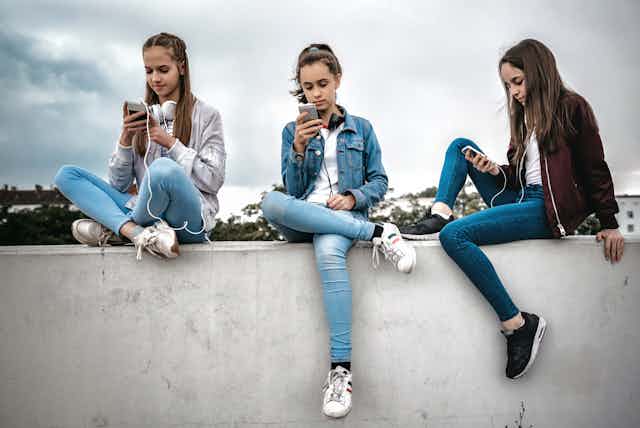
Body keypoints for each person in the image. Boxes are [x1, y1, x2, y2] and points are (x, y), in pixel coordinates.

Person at [400, 38, 624, 379]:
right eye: (508, 85)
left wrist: (609, 222)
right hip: (520, 198)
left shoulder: (571, 107)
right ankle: (439, 212)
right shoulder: (525, 119)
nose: (514, 92)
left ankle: (517, 324)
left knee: (455, 236)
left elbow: (594, 166)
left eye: (517, 82)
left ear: (539, 73)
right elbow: (522, 176)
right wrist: (494, 171)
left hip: (546, 209)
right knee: (461, 146)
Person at [260, 43, 416, 418]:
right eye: (309, 87)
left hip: (341, 222)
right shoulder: (291, 130)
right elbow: (294, 192)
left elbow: (379, 180)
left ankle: (340, 373)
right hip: (306, 217)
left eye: (323, 84)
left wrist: (351, 197)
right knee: (270, 201)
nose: (316, 93)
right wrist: (298, 148)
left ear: (338, 80)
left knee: (330, 252)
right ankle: (379, 233)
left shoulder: (361, 129)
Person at [54, 32, 226, 260]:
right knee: (67, 175)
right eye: (149, 71)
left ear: (181, 68)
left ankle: (116, 228)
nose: (155, 78)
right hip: (143, 213)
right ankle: (134, 232)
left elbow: (213, 179)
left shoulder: (207, 116)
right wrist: (125, 139)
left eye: (163, 70)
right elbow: (119, 184)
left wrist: (170, 143)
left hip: (188, 222)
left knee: (163, 169)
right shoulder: (144, 116)